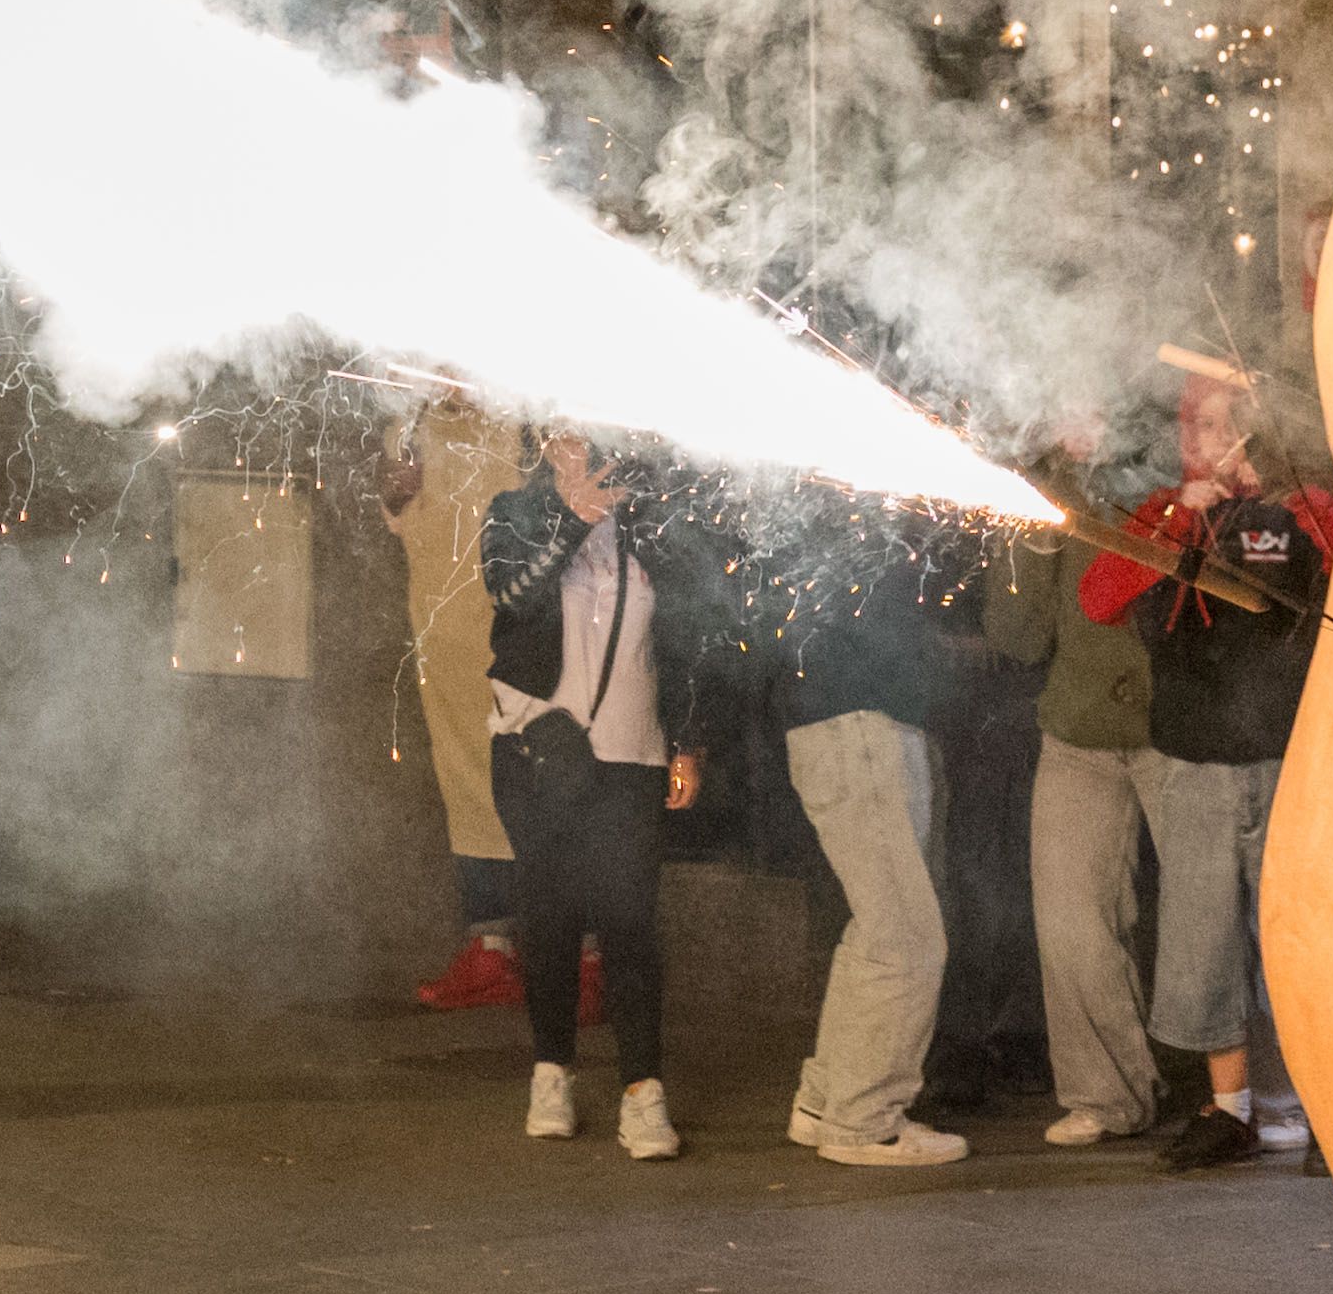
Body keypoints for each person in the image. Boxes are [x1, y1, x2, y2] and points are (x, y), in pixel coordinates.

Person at [1081, 368, 1333, 1169]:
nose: (1208, 445)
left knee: (1295, 942)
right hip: (1190, 760)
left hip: (1288, 760)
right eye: (1196, 430)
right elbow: (1099, 596)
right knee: (1200, 937)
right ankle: (1227, 1108)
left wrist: (1284, 504)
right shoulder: (1162, 513)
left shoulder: (1302, 509)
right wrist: (1179, 529)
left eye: (1224, 429)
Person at [478, 430, 731, 1162]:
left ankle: (643, 1092)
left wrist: (690, 742)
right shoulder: (511, 512)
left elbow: (693, 639)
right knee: (549, 912)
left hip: (632, 749)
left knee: (630, 919)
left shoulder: (658, 526)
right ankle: (551, 1072)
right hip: (534, 745)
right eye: (559, 430)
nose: (576, 443)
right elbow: (508, 593)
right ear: (540, 441)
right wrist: (570, 518)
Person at [984, 437, 1195, 1149]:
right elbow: (1014, 638)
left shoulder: (1170, 464)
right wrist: (1033, 544)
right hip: (1077, 733)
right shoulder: (1037, 488)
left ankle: (1271, 1093)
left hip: (1180, 728)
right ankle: (1108, 1097)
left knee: (1221, 912)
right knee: (1072, 924)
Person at [774, 504, 980, 1170]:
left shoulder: (822, 504)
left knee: (878, 928)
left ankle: (826, 1100)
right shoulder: (849, 503)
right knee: (906, 939)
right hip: (860, 727)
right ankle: (864, 1120)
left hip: (853, 725)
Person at [384, 396, 541, 1013]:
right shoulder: (411, 420)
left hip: (527, 632)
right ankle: (490, 947)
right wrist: (396, 483)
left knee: (551, 784)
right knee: (467, 786)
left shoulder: (528, 414)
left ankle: (587, 956)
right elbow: (396, 508)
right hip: (444, 638)